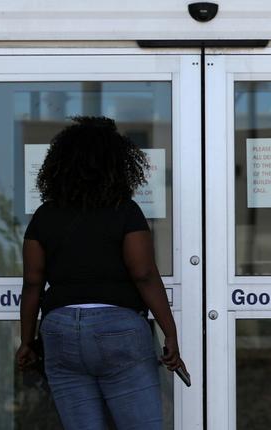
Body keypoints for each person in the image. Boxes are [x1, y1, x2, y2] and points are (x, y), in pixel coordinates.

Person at [15, 116, 185, 430]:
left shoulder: (45, 215)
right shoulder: (125, 211)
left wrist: (26, 341)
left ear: (59, 164)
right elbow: (143, 273)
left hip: (60, 329)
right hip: (118, 326)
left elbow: (32, 283)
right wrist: (170, 334)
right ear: (118, 165)